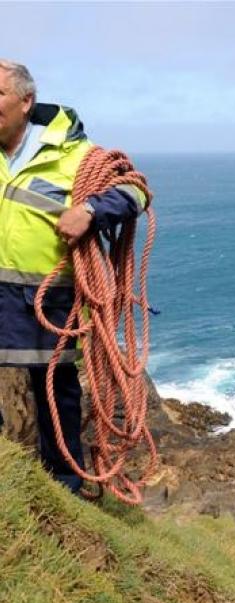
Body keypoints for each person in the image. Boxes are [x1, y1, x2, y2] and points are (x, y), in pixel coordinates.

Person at [0, 59, 146, 493]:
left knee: (54, 394)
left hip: (45, 302)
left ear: (26, 102)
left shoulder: (75, 154)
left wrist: (89, 211)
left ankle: (64, 485)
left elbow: (135, 189)